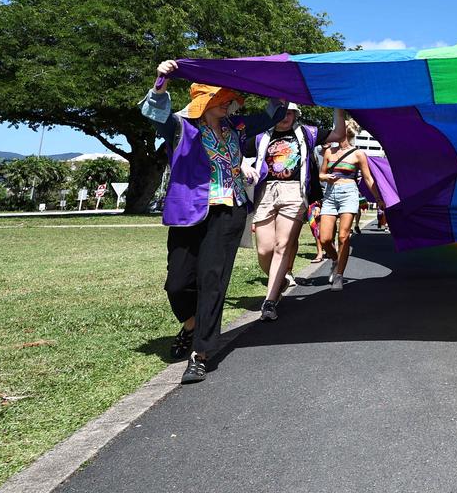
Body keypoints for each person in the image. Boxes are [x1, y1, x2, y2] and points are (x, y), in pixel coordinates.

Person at [140, 59, 285, 384]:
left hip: (229, 212)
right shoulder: (180, 126)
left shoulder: (238, 128)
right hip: (188, 212)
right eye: (224, 98)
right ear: (208, 101)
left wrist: (279, 83)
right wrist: (161, 80)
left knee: (212, 280)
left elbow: (272, 113)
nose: (231, 102)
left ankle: (200, 354)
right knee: (177, 283)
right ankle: (191, 324)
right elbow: (153, 112)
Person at [247, 103, 342, 321]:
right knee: (264, 250)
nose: (285, 117)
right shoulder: (261, 136)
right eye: (281, 112)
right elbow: (239, 147)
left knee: (282, 246)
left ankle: (269, 302)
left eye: (290, 112)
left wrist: (338, 105)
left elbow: (338, 133)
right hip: (266, 191)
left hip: (294, 193)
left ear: (296, 114)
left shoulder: (307, 133)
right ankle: (279, 281)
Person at [318, 116, 384, 291]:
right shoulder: (329, 152)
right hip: (330, 195)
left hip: (349, 194)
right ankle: (335, 260)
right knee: (324, 239)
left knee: (343, 236)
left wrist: (378, 198)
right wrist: (325, 177)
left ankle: (339, 275)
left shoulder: (358, 154)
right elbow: (321, 174)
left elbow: (368, 179)